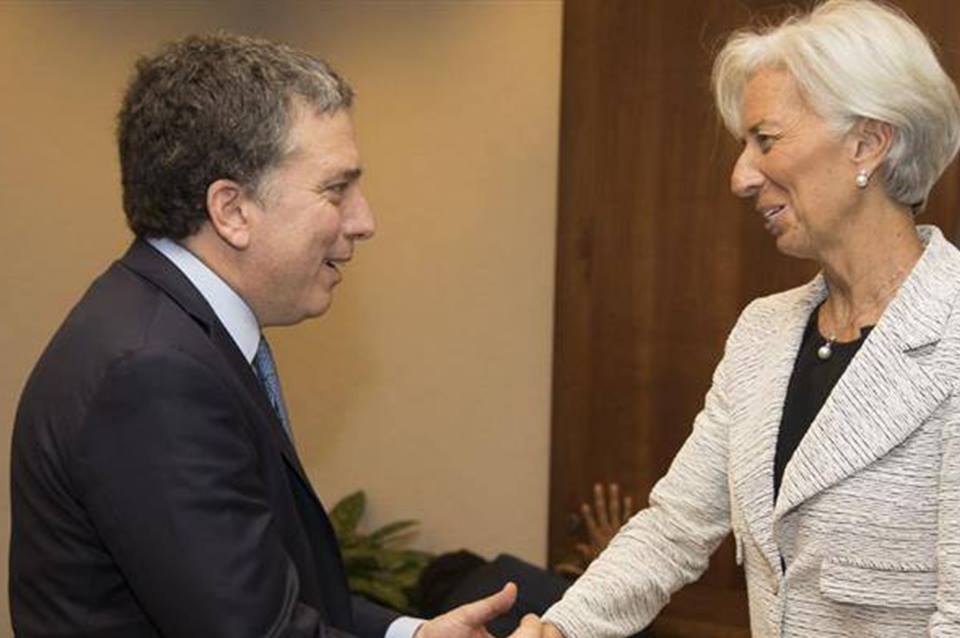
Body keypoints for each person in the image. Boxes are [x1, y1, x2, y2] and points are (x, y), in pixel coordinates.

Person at [9, 33, 534, 638]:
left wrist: (413, 636)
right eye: (336, 189)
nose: (364, 221)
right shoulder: (153, 371)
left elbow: (267, 592)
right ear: (232, 210)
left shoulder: (172, 332)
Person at [530, 1, 960, 636]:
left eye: (766, 140)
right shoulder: (764, 332)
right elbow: (674, 530)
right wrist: (559, 629)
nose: (740, 177)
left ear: (867, 143)